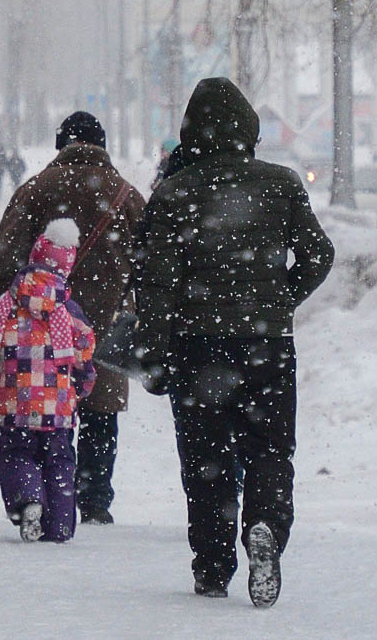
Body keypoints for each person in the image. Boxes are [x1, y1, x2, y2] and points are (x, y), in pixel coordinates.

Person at [135, 77, 335, 606]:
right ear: (249, 128)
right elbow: (319, 255)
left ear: (190, 132)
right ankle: (265, 526)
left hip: (196, 347)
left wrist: (152, 351)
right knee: (270, 449)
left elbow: (156, 284)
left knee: (206, 459)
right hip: (267, 346)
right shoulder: (282, 183)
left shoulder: (174, 193)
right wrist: (278, 300)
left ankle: (212, 565)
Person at [0, 112, 145, 524]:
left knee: (39, 418)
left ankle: (38, 493)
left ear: (62, 145)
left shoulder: (35, 190)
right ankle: (94, 500)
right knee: (100, 413)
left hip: (38, 336)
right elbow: (149, 264)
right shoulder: (125, 195)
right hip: (104, 329)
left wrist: (13, 317)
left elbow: (4, 263)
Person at [0, 218, 97, 543]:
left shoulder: (6, 303)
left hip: (14, 401)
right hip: (57, 404)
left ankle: (29, 500)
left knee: (17, 454)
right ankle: (59, 526)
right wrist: (83, 384)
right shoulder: (68, 309)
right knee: (59, 461)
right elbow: (83, 351)